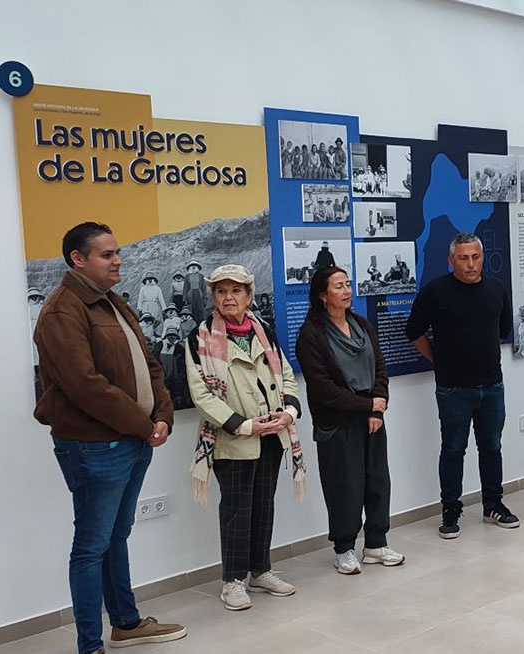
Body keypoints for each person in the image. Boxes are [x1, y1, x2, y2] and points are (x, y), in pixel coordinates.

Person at [33, 222, 186, 654]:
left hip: (133, 440)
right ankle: (89, 645)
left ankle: (126, 623)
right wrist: (143, 424)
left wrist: (163, 415)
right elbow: (85, 385)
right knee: (91, 546)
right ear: (77, 259)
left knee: (116, 536)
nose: (118, 260)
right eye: (106, 254)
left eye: (117, 252)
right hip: (95, 446)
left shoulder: (113, 302)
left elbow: (150, 363)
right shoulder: (63, 311)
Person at [186, 264, 306, 611]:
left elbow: (285, 373)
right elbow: (202, 395)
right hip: (233, 438)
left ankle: (260, 570)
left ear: (249, 296)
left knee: (263, 505)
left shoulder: (263, 330)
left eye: (236, 290)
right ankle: (233, 580)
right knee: (237, 510)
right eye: (221, 291)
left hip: (272, 435)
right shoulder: (201, 338)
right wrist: (242, 425)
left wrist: (290, 413)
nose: (229, 297)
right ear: (213, 297)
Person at [405, 232, 517, 539]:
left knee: (492, 447)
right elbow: (413, 331)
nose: (471, 264)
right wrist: (438, 360)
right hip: (453, 388)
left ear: (482, 258)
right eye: (463, 258)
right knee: (453, 450)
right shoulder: (436, 291)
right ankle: (451, 509)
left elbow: (502, 329)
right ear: (451, 260)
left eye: (476, 257)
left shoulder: (496, 288)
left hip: (492, 385)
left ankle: (493, 504)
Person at [295, 266, 405, 575]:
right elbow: (323, 389)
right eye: (338, 286)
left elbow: (380, 369)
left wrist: (375, 410)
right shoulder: (311, 335)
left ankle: (375, 543)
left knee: (377, 480)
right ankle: (343, 548)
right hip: (337, 422)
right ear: (322, 295)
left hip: (370, 418)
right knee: (345, 486)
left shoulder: (362, 325)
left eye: (348, 284)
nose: (347, 291)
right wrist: (365, 404)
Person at [183, 260, 207, 324]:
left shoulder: (201, 276)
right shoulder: (187, 277)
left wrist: (205, 298)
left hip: (199, 295)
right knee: (191, 311)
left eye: (195, 266)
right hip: (190, 296)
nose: (193, 267)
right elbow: (185, 288)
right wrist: (185, 299)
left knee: (200, 311)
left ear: (197, 267)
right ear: (189, 268)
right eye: (192, 266)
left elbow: (203, 288)